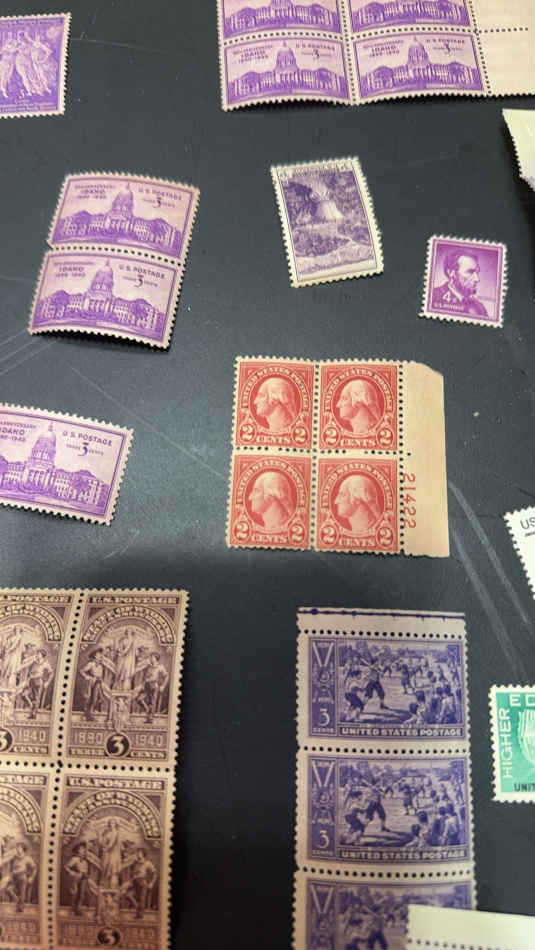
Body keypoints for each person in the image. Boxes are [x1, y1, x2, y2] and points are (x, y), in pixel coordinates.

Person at [431, 249, 488, 317]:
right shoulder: (433, 297)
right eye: (470, 272)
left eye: (477, 272)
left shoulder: (480, 307)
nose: (477, 279)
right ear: (451, 273)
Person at [124, 848, 156, 919]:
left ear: (143, 854)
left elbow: (154, 874)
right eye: (137, 852)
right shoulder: (135, 862)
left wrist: (152, 883)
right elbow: (127, 864)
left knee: (141, 900)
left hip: (142, 882)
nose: (138, 854)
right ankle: (138, 907)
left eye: (139, 852)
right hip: (134, 882)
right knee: (128, 895)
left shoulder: (148, 863)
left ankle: (139, 915)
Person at [5, 842, 36, 912]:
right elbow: (11, 867)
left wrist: (31, 877)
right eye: (17, 847)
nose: (17, 849)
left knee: (22, 893)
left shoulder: (28, 858)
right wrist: (10, 875)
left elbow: (34, 868)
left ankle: (20, 908)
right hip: (14, 877)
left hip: (22, 877)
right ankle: (19, 902)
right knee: (8, 889)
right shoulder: (15, 858)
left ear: (23, 849)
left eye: (19, 847)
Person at [139, 652, 169, 723]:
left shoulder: (160, 667)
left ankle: (150, 719)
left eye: (152, 657)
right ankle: (147, 711)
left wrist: (163, 686)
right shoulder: (149, 666)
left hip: (154, 685)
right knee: (139, 699)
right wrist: (143, 685)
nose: (151, 658)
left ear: (156, 658)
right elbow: (145, 677)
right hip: (146, 685)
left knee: (151, 703)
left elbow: (166, 676)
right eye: (151, 657)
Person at [21, 648, 52, 718]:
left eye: (38, 654)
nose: (37, 655)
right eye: (37, 653)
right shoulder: (34, 662)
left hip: (38, 682)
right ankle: (31, 706)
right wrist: (27, 680)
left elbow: (51, 673)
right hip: (30, 681)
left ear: (42, 655)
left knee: (36, 698)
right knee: (24, 695)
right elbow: (27, 669)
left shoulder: (46, 664)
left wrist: (47, 682)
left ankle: (33, 714)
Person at [80, 648, 107, 721]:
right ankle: (87, 715)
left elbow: (100, 676)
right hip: (92, 683)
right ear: (95, 655)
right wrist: (87, 677)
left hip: (99, 683)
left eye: (101, 654)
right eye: (99, 654)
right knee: (89, 698)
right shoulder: (91, 664)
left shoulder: (101, 666)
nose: (101, 655)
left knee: (97, 698)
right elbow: (82, 671)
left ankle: (91, 713)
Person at [65, 842, 90, 917]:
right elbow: (66, 867)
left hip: (84, 878)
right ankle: (72, 909)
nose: (84, 850)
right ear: (78, 850)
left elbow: (86, 871)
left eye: (84, 849)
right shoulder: (75, 859)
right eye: (81, 849)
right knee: (74, 892)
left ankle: (79, 909)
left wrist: (87, 875)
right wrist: (71, 872)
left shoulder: (85, 861)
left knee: (82, 894)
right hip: (77, 877)